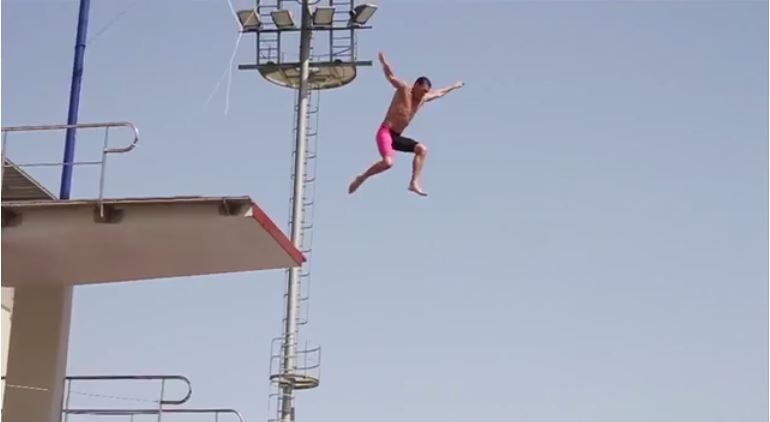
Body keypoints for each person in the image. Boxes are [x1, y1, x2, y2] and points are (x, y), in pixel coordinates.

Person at [348, 52, 464, 197]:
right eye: (422, 91)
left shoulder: (423, 98)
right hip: (385, 132)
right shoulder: (403, 89)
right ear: (415, 86)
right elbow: (391, 76)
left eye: (425, 92)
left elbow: (439, 93)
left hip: (396, 137)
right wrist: (384, 63)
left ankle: (414, 182)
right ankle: (362, 178)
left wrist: (454, 86)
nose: (423, 95)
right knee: (388, 163)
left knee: (422, 149)